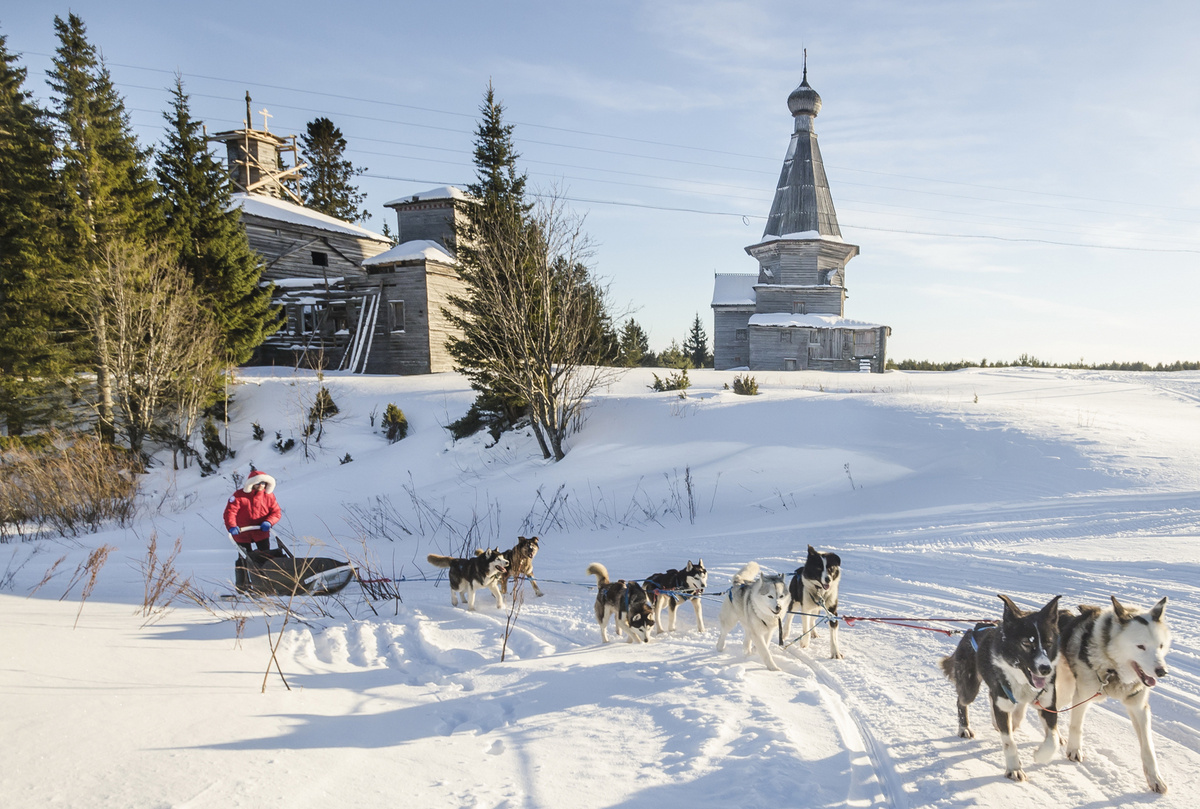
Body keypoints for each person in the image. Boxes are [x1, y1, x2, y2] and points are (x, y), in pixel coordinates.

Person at [223, 470, 282, 555]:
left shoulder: (268, 496)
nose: (261, 485)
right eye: (258, 483)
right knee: (244, 557)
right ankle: (242, 568)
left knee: (266, 555)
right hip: (241, 532)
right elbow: (230, 512)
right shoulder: (239, 495)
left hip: (261, 531)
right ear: (252, 483)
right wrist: (232, 526)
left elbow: (276, 512)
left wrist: (269, 522)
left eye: (263, 483)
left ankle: (266, 568)